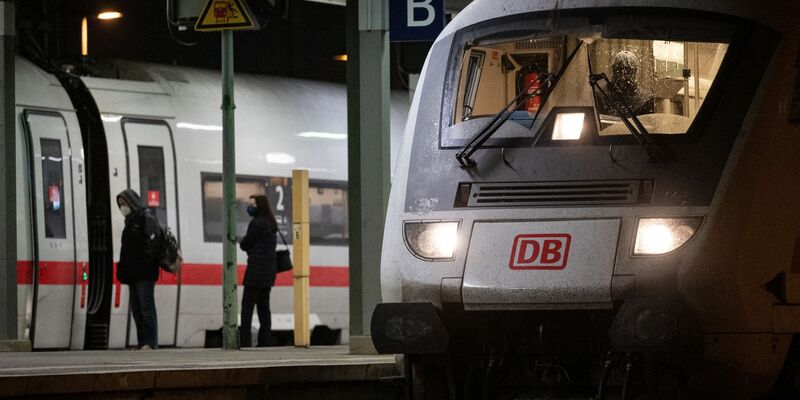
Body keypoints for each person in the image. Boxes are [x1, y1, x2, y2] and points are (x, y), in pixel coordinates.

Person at [116, 189, 161, 350]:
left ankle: (150, 342)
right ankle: (143, 341)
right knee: (137, 310)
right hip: (133, 274)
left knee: (146, 308)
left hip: (144, 273)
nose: (122, 207)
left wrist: (143, 265)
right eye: (120, 204)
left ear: (132, 202)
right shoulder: (130, 222)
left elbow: (151, 246)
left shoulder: (145, 218)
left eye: (124, 204)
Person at [239, 195, 278, 347]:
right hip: (269, 271)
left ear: (259, 206)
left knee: (247, 307)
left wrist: (243, 243)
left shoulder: (257, 223)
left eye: (252, 204)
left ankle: (245, 341)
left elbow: (245, 244)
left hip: (256, 271)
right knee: (264, 307)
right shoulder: (271, 222)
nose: (249, 207)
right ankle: (264, 341)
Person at [595, 50, 655, 117]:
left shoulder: (645, 99)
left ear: (635, 72)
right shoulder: (600, 95)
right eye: (619, 71)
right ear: (613, 69)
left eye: (628, 72)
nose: (622, 77)